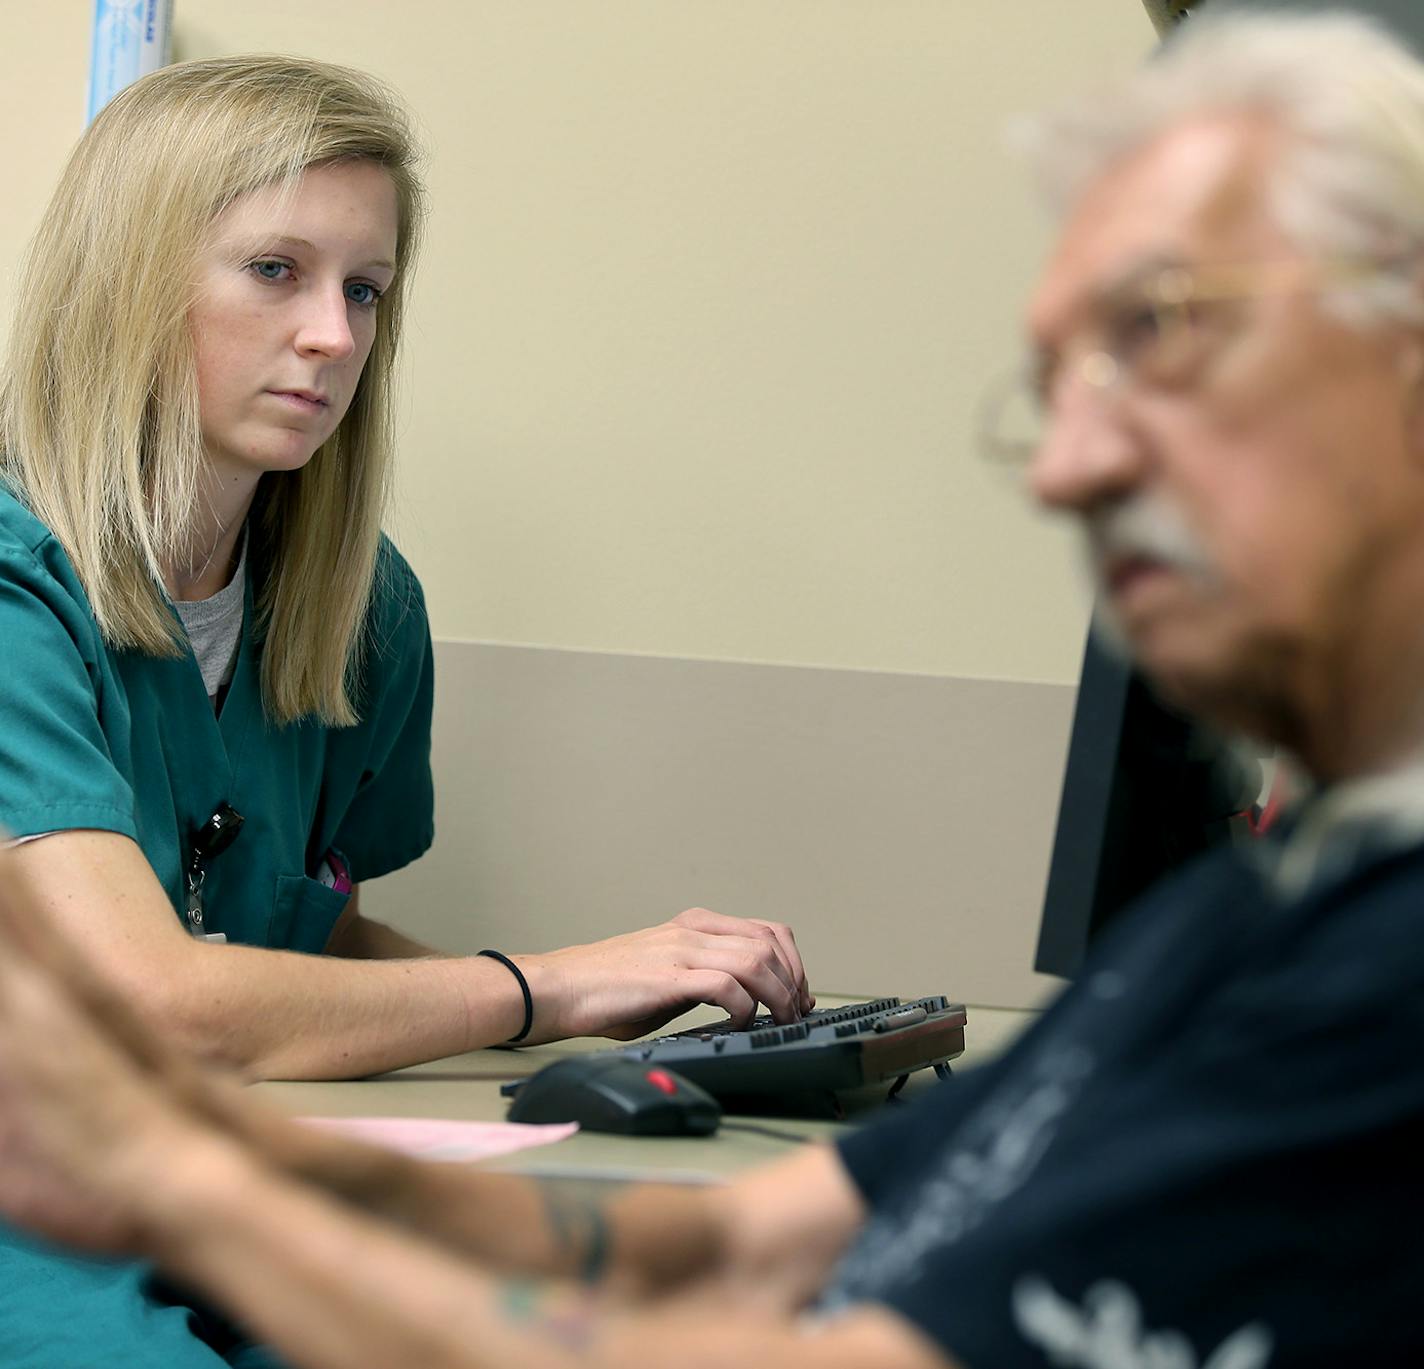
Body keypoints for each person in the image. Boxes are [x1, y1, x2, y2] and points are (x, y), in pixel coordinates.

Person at [3, 7, 1424, 1366]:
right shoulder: (1250, 916)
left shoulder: (1363, 964)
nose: (1064, 471)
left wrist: (203, 1179)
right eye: (277, 272)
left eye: (1162, 345)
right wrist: (519, 1006)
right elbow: (738, 1246)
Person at [0, 50, 811, 1369]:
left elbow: (312, 947)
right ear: (132, 280)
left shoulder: (360, 610)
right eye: (277, 271)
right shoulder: (12, 582)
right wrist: (542, 985)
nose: (335, 336)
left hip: (235, 1175)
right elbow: (150, 1000)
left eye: (364, 289)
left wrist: (602, 1019)